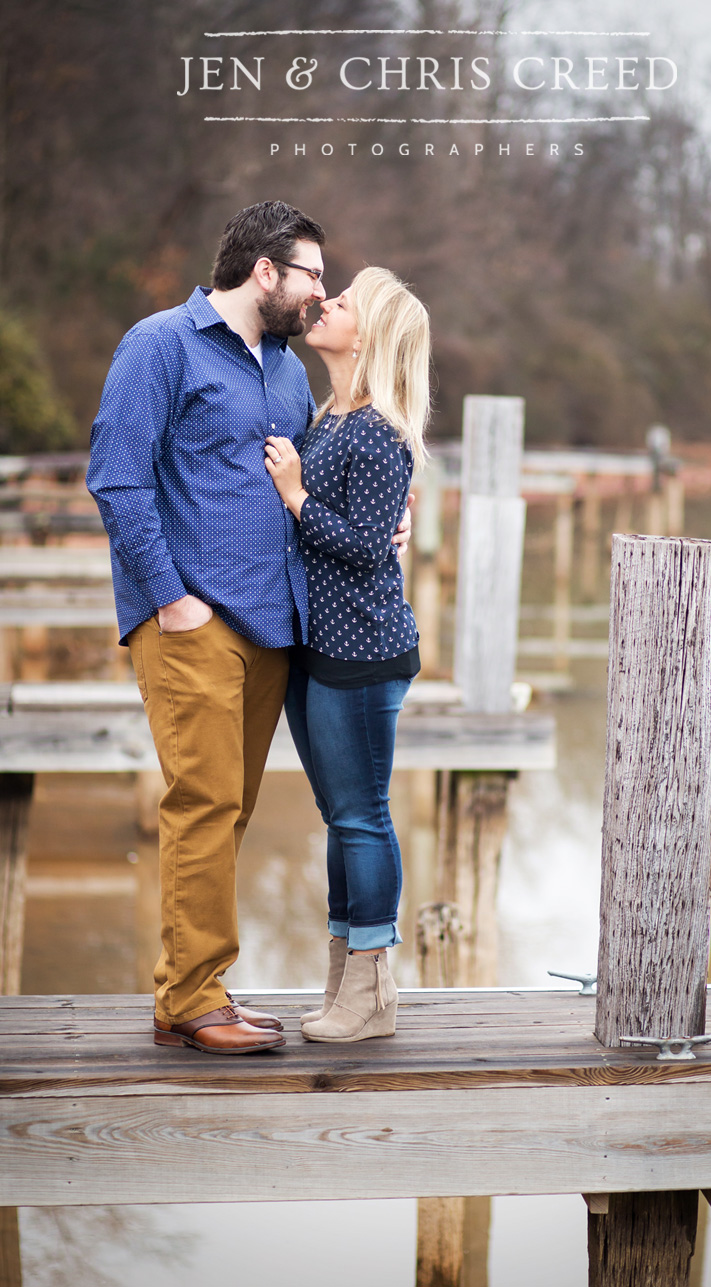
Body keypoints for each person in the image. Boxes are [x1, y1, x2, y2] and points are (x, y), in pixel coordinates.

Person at [87, 201, 410, 1055]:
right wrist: (170, 598)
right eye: (311, 275)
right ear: (265, 271)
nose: (320, 293)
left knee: (232, 812)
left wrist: (387, 525)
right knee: (204, 802)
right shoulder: (160, 344)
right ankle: (193, 1000)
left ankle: (195, 990)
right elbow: (117, 479)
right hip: (192, 617)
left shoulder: (284, 374)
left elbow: (314, 481)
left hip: (275, 625)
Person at [261, 267, 428, 1043]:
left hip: (363, 651)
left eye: (346, 302)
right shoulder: (332, 418)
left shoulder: (379, 430)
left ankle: (371, 988)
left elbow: (367, 550)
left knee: (362, 818)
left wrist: (297, 498)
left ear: (371, 335)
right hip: (319, 647)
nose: (327, 305)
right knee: (339, 816)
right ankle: (344, 980)